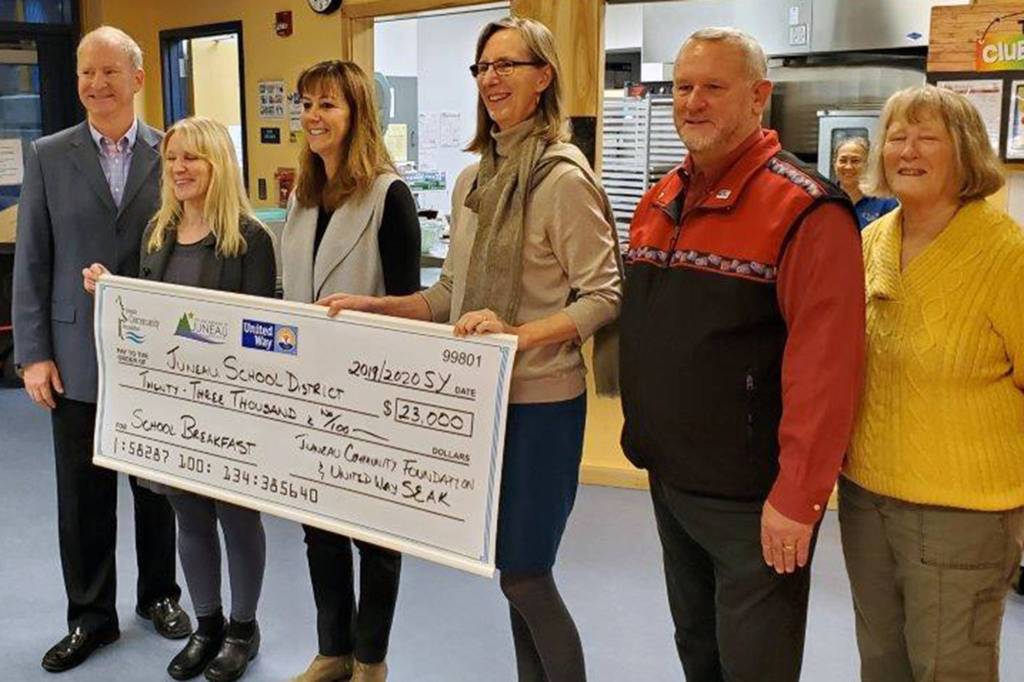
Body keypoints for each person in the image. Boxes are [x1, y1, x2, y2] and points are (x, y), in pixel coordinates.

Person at [316, 16, 621, 682]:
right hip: (480, 403)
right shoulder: (474, 182)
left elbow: (604, 296)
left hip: (542, 405)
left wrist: (519, 336)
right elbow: (447, 297)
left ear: (543, 77)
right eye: (484, 68)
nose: (493, 79)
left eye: (508, 65)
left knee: (526, 574)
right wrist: (376, 306)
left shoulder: (564, 180)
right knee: (512, 571)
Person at [618, 27, 865, 682]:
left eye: (713, 88)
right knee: (698, 648)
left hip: (753, 500)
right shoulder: (661, 197)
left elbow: (828, 367)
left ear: (759, 96)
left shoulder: (808, 212)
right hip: (670, 480)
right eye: (683, 87)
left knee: (755, 664)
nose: (692, 102)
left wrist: (800, 495)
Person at [12, 25, 189, 673]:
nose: (94, 83)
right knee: (82, 497)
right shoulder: (49, 155)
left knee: (158, 490)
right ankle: (91, 617)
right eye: (87, 72)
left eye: (109, 71)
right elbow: (32, 259)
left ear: (139, 79)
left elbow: (189, 249)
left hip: (155, 361)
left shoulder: (173, 154)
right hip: (74, 355)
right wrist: (33, 352)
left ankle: (160, 595)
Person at [840, 84, 1024, 682]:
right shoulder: (870, 242)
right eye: (897, 136)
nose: (907, 151)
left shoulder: (1006, 254)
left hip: (963, 512)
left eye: (927, 138)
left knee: (951, 670)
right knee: (881, 663)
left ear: (965, 151)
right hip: (866, 496)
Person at [84, 116, 275, 682]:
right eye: (172, 159)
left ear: (219, 163)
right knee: (188, 515)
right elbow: (142, 310)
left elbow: (261, 333)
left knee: (238, 519)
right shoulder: (157, 233)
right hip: (171, 410)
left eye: (194, 158)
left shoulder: (250, 239)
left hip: (231, 410)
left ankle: (244, 628)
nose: (181, 169)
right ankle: (208, 624)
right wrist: (107, 286)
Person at [285, 60, 421, 682]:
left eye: (328, 105)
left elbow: (408, 305)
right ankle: (332, 649)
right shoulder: (301, 194)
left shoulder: (389, 196)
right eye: (307, 104)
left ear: (357, 113)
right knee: (319, 528)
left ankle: (371, 658)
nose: (313, 116)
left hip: (371, 397)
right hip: (307, 389)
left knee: (376, 535)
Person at [833, 137, 898, 229]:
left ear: (868, 164)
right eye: (843, 160)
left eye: (855, 161)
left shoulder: (886, 203)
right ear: (834, 164)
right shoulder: (824, 200)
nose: (848, 166)